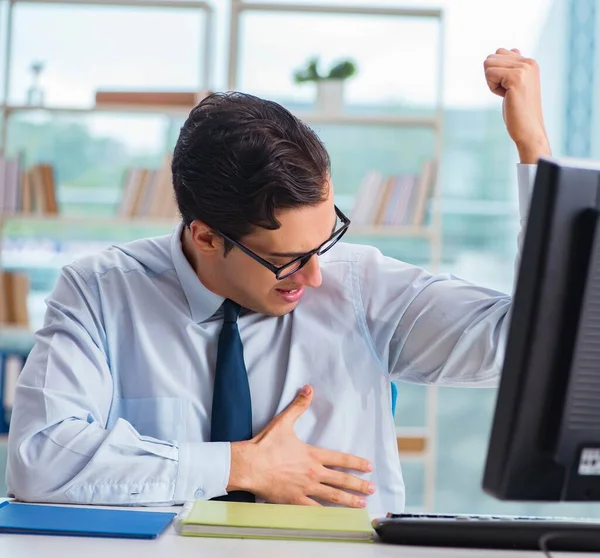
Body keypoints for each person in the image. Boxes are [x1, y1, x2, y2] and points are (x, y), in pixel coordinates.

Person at [6, 48, 550, 515]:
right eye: (286, 259)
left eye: (324, 242)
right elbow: (39, 460)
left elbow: (523, 347)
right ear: (206, 237)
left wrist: (534, 153)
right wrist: (237, 466)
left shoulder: (359, 285)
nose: (314, 275)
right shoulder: (100, 292)